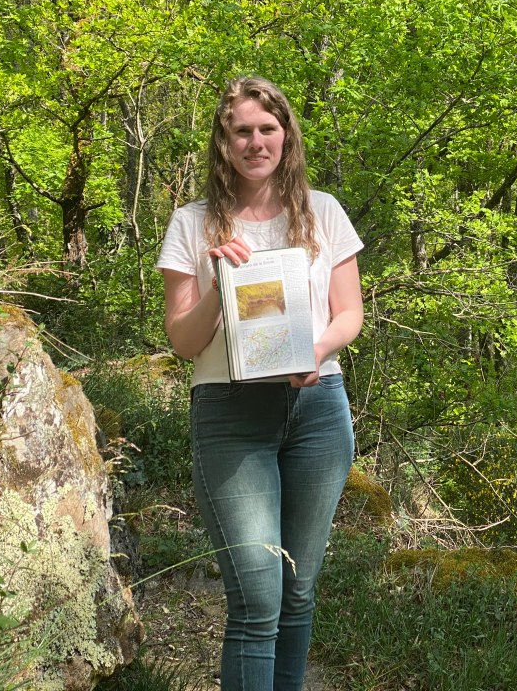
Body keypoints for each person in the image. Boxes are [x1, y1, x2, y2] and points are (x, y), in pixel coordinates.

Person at [156, 76, 364, 690]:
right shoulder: (192, 225)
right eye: (241, 130)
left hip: (317, 408)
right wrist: (218, 287)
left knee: (297, 590)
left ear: (286, 136)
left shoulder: (321, 211)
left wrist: (315, 350)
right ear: (222, 142)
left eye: (267, 129)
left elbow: (348, 312)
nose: (255, 142)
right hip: (229, 413)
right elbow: (183, 341)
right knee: (257, 597)